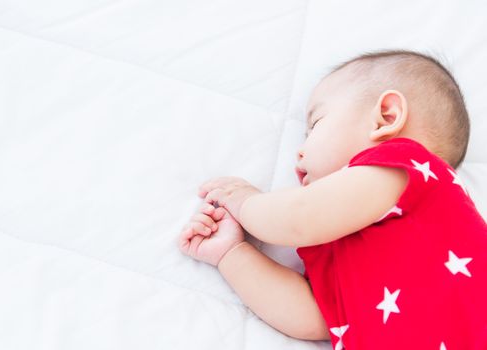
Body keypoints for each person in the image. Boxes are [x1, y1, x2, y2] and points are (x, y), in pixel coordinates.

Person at [178, 49, 487, 349]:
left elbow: (298, 218)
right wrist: (232, 253)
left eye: (315, 125)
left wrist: (245, 202)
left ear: (386, 118)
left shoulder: (408, 167)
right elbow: (313, 319)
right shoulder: (345, 238)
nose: (299, 150)